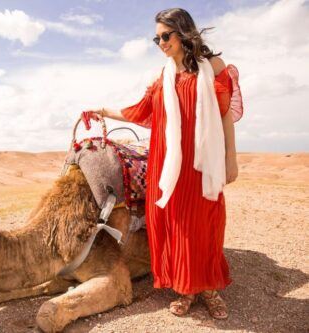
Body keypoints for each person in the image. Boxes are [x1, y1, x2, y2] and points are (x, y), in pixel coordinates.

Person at [83, 8, 243, 319]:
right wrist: (101, 109)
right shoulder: (162, 77)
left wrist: (230, 158)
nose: (160, 42)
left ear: (183, 33)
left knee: (206, 224)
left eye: (165, 36)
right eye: (156, 38)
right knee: (177, 226)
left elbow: (224, 115)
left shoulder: (213, 68)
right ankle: (185, 289)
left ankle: (209, 288)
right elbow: (138, 112)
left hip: (201, 162)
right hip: (168, 160)